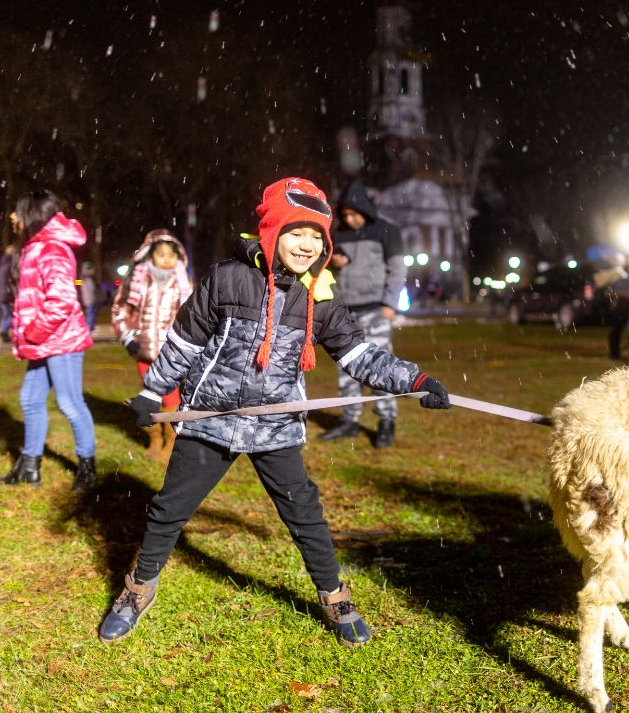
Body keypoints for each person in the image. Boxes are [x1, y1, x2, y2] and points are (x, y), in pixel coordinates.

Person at [99, 178, 451, 648]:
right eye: (296, 233)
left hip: (275, 425)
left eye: (316, 236)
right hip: (211, 418)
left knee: (305, 514)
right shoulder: (228, 278)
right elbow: (184, 341)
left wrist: (415, 381)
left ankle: (334, 595)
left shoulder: (318, 296)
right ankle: (140, 587)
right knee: (169, 509)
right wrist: (153, 391)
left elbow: (359, 355)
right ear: (272, 232)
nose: (307, 245)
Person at [0, 190, 98, 490]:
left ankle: (88, 468)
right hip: (44, 342)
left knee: (70, 402)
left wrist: (33, 332)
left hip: (61, 341)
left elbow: (61, 301)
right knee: (30, 399)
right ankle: (30, 466)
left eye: (17, 210)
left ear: (33, 213)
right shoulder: (35, 246)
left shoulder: (52, 248)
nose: (12, 216)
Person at [318, 180, 407, 448]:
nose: (348, 219)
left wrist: (389, 305)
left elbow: (398, 269)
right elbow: (324, 270)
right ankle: (349, 421)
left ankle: (386, 421)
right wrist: (332, 263)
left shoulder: (386, 230)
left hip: (375, 311)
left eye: (353, 213)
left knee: (379, 368)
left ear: (365, 209)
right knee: (346, 368)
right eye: (344, 214)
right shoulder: (337, 234)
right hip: (345, 314)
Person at [111, 229, 193, 462]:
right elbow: (121, 309)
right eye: (161, 254)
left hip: (171, 354)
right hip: (144, 350)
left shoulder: (184, 283)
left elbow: (192, 317)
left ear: (179, 257)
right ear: (150, 255)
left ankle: (172, 442)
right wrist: (128, 336)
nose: (166, 259)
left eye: (171, 255)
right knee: (148, 396)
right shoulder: (137, 280)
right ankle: (155, 440)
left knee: (171, 398)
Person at [0, 244, 15, 343]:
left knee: (5, 314)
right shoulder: (10, 266)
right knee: (12, 314)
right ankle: (4, 331)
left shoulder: (1, 266)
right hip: (8, 293)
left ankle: (4, 331)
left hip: (1, 293)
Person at [79, 262, 100, 331]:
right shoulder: (88, 277)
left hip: (89, 298)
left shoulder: (83, 277)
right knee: (91, 314)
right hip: (91, 299)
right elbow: (92, 288)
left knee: (91, 314)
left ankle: (90, 327)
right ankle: (89, 328)